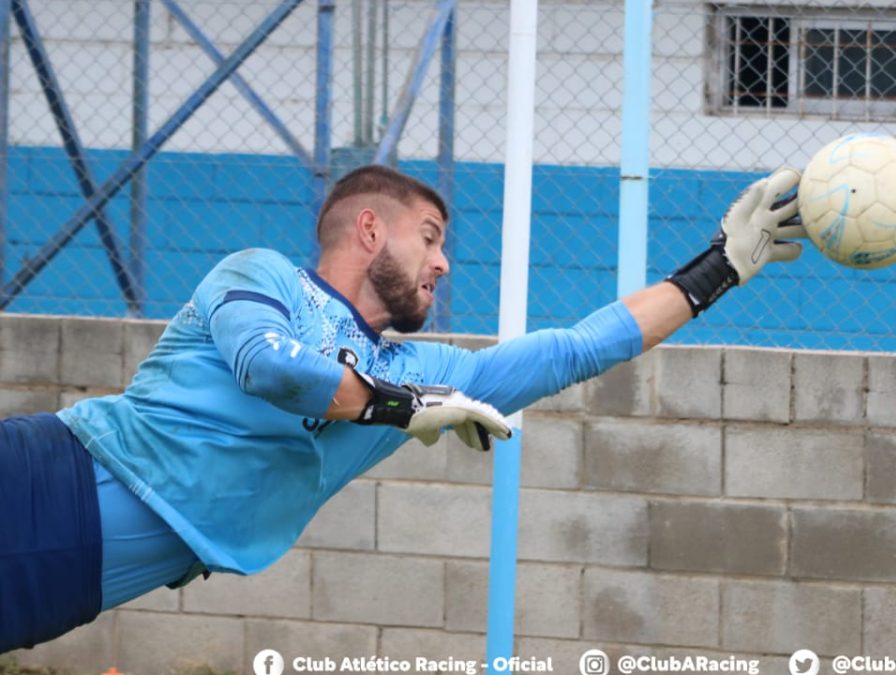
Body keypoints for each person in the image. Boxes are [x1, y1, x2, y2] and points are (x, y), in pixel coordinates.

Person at [0, 163, 804, 651]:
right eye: (429, 235)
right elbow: (267, 366)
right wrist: (399, 405)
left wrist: (719, 268)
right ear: (369, 228)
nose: (444, 261)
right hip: (46, 478)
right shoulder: (261, 275)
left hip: (72, 579)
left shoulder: (423, 369)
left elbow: (573, 349)